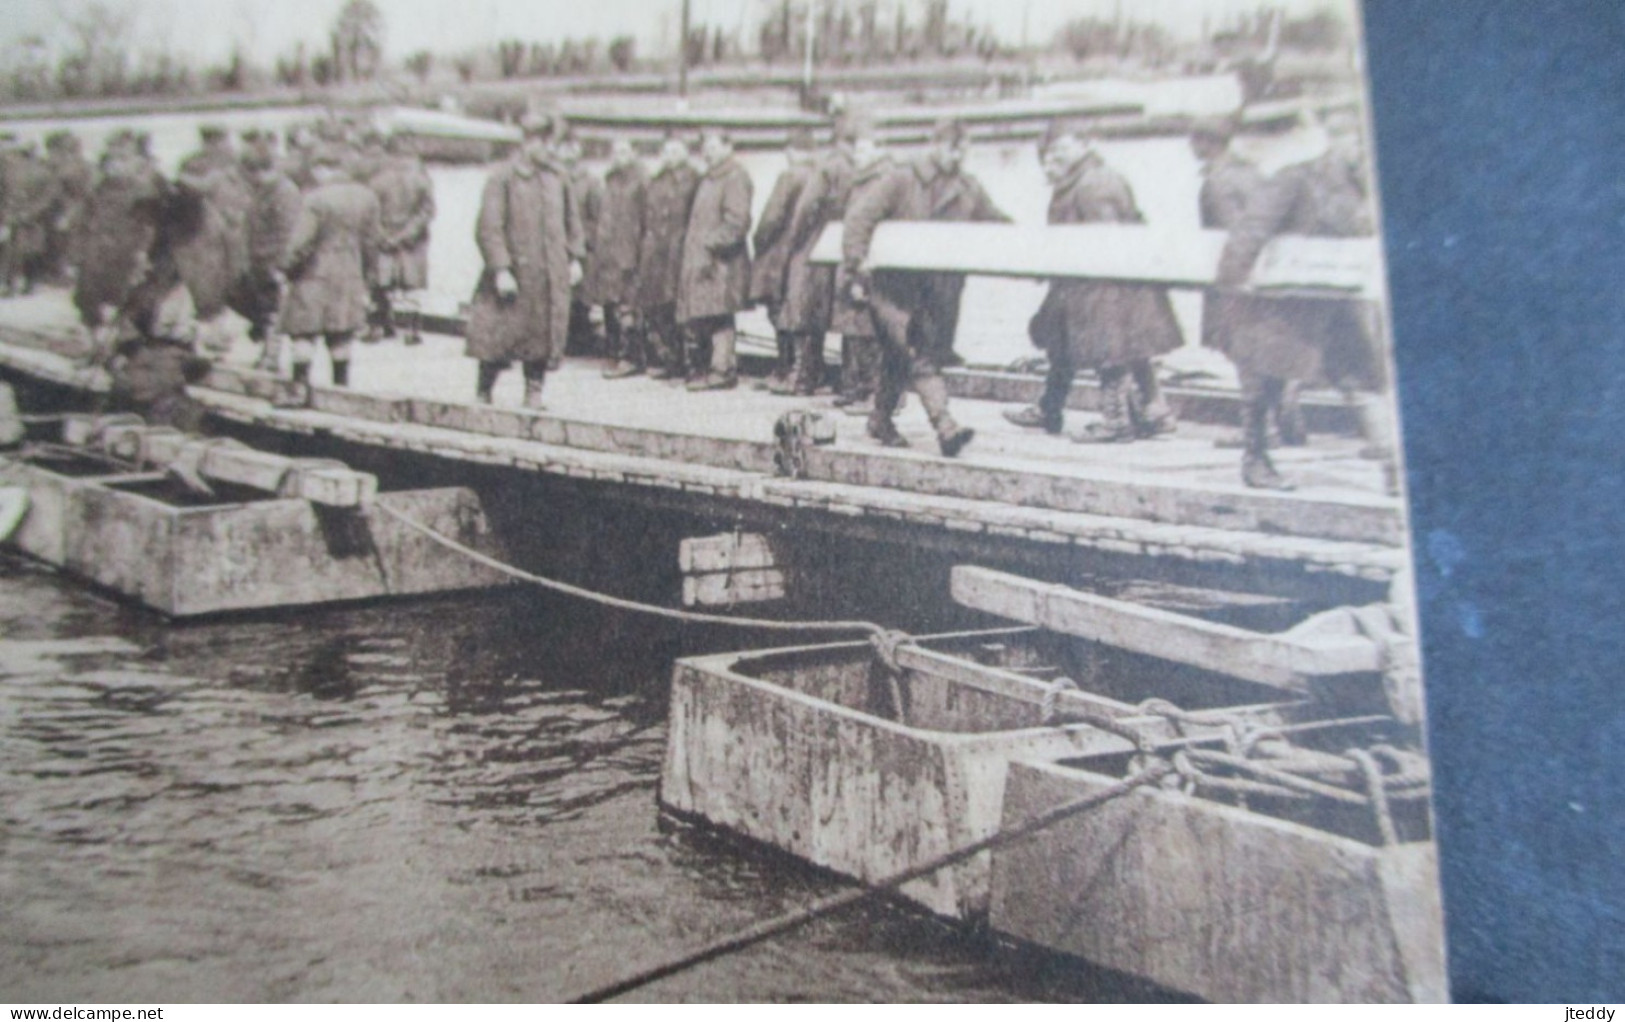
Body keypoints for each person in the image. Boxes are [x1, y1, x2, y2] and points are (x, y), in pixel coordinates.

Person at [1212, 105, 1388, 490]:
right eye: (1351, 140)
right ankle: (1256, 460)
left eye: (1362, 140)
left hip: (1342, 302)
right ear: (1334, 141)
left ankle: (1396, 471)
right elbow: (1250, 230)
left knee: (1364, 382)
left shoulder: (1366, 186)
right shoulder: (1297, 179)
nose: (1359, 149)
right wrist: (1232, 285)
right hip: (1287, 306)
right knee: (1265, 382)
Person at [1003, 123, 1182, 442]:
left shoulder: (1093, 183)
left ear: (1084, 144)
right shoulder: (1081, 179)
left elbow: (1107, 244)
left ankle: (1117, 420)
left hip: (1101, 287)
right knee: (1063, 345)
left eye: (1061, 149)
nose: (1053, 158)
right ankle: (1055, 408)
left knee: (1110, 351)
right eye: (1049, 153)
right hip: (1084, 284)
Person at [842, 118, 1008, 455]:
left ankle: (879, 419)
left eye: (963, 151)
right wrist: (857, 265)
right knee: (919, 354)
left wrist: (1032, 249)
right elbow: (860, 218)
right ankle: (945, 427)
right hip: (893, 289)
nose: (957, 157)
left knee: (897, 355)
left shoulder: (968, 188)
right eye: (951, 149)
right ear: (935, 145)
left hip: (936, 293)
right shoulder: (902, 178)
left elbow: (996, 223)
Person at [1190, 117, 1304, 450]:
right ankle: (1287, 421)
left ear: (1206, 143)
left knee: (1244, 354)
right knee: (1267, 352)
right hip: (1266, 278)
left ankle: (1260, 431)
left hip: (1237, 280)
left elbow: (1236, 233)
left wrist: (1227, 280)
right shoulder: (1254, 173)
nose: (1190, 146)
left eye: (1194, 139)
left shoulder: (1218, 181)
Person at [466, 113, 584, 409]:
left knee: (542, 335)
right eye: (543, 143)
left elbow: (573, 223)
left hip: (548, 274)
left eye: (550, 143)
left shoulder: (558, 178)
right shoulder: (503, 178)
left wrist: (575, 258)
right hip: (515, 274)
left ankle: (534, 390)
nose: (549, 150)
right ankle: (484, 390)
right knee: (497, 337)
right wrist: (501, 269)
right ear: (528, 142)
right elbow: (488, 227)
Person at [278, 145, 381, 387]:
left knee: (303, 334)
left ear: (320, 168)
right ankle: (341, 389)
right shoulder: (367, 197)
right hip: (350, 274)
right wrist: (369, 278)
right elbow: (372, 243)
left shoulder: (315, 199)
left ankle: (299, 389)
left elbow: (300, 243)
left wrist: (285, 268)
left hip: (313, 276)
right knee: (342, 335)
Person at [677, 129, 753, 391]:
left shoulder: (734, 177)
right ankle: (708, 369)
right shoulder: (708, 178)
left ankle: (723, 371)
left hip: (721, 263)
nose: (707, 151)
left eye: (713, 146)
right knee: (705, 315)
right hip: (703, 262)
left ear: (728, 146)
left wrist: (710, 245)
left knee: (719, 316)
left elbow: (737, 222)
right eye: (704, 147)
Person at [72, 132, 165, 335]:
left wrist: (143, 253)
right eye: (112, 158)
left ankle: (121, 349)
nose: (116, 165)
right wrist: (79, 250)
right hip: (97, 251)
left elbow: (151, 226)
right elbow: (83, 221)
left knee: (129, 302)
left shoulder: (145, 191)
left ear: (136, 161)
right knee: (88, 300)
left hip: (129, 253)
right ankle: (96, 346)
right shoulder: (98, 189)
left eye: (123, 158)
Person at [747, 130, 817, 392]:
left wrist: (759, 241)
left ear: (793, 151)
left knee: (782, 313)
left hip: (782, 255)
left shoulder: (790, 176)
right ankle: (802, 372)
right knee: (803, 315)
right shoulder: (820, 175)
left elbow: (771, 219)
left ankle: (787, 371)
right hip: (811, 255)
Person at [634, 133, 700, 381]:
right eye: (666, 152)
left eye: (675, 151)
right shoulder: (656, 180)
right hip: (656, 254)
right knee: (658, 307)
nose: (670, 157)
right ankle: (669, 360)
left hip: (679, 251)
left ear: (685, 153)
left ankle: (690, 364)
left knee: (681, 308)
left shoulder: (694, 180)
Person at [367, 133, 435, 345]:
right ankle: (412, 331)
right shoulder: (422, 178)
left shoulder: (377, 180)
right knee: (411, 285)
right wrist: (408, 233)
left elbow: (370, 212)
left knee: (380, 282)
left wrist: (383, 236)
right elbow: (428, 211)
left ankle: (379, 327)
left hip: (384, 237)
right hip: (413, 239)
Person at [236, 149, 302, 369]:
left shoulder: (285, 192)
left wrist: (282, 265)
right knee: (266, 311)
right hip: (260, 262)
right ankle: (267, 354)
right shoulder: (263, 191)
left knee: (275, 313)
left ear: (262, 171)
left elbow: (289, 233)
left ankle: (271, 358)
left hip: (274, 262)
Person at [590, 137, 650, 378]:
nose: (619, 155)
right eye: (615, 151)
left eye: (624, 150)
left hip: (629, 253)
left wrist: (640, 251)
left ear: (635, 152)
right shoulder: (609, 180)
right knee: (609, 304)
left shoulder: (642, 181)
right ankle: (613, 353)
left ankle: (632, 357)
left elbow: (647, 220)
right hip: (608, 253)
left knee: (629, 307)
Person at [557, 127, 602, 356]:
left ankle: (579, 344)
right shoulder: (552, 178)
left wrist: (583, 243)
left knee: (580, 299)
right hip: (556, 245)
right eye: (564, 148)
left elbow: (598, 218)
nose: (568, 153)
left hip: (582, 248)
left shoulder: (590, 182)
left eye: (572, 148)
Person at [0, 140, 58, 296]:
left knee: (22, 250)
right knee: (18, 250)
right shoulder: (42, 170)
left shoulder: (12, 169)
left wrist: (24, 212)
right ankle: (18, 283)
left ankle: (20, 283)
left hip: (27, 217)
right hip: (25, 216)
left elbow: (47, 197)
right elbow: (48, 197)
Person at [43, 131, 93, 285]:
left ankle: (66, 274)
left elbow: (82, 195)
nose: (51, 154)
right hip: (57, 210)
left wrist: (68, 214)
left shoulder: (79, 167)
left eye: (54, 150)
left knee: (69, 244)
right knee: (58, 243)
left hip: (71, 212)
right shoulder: (58, 165)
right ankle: (57, 273)